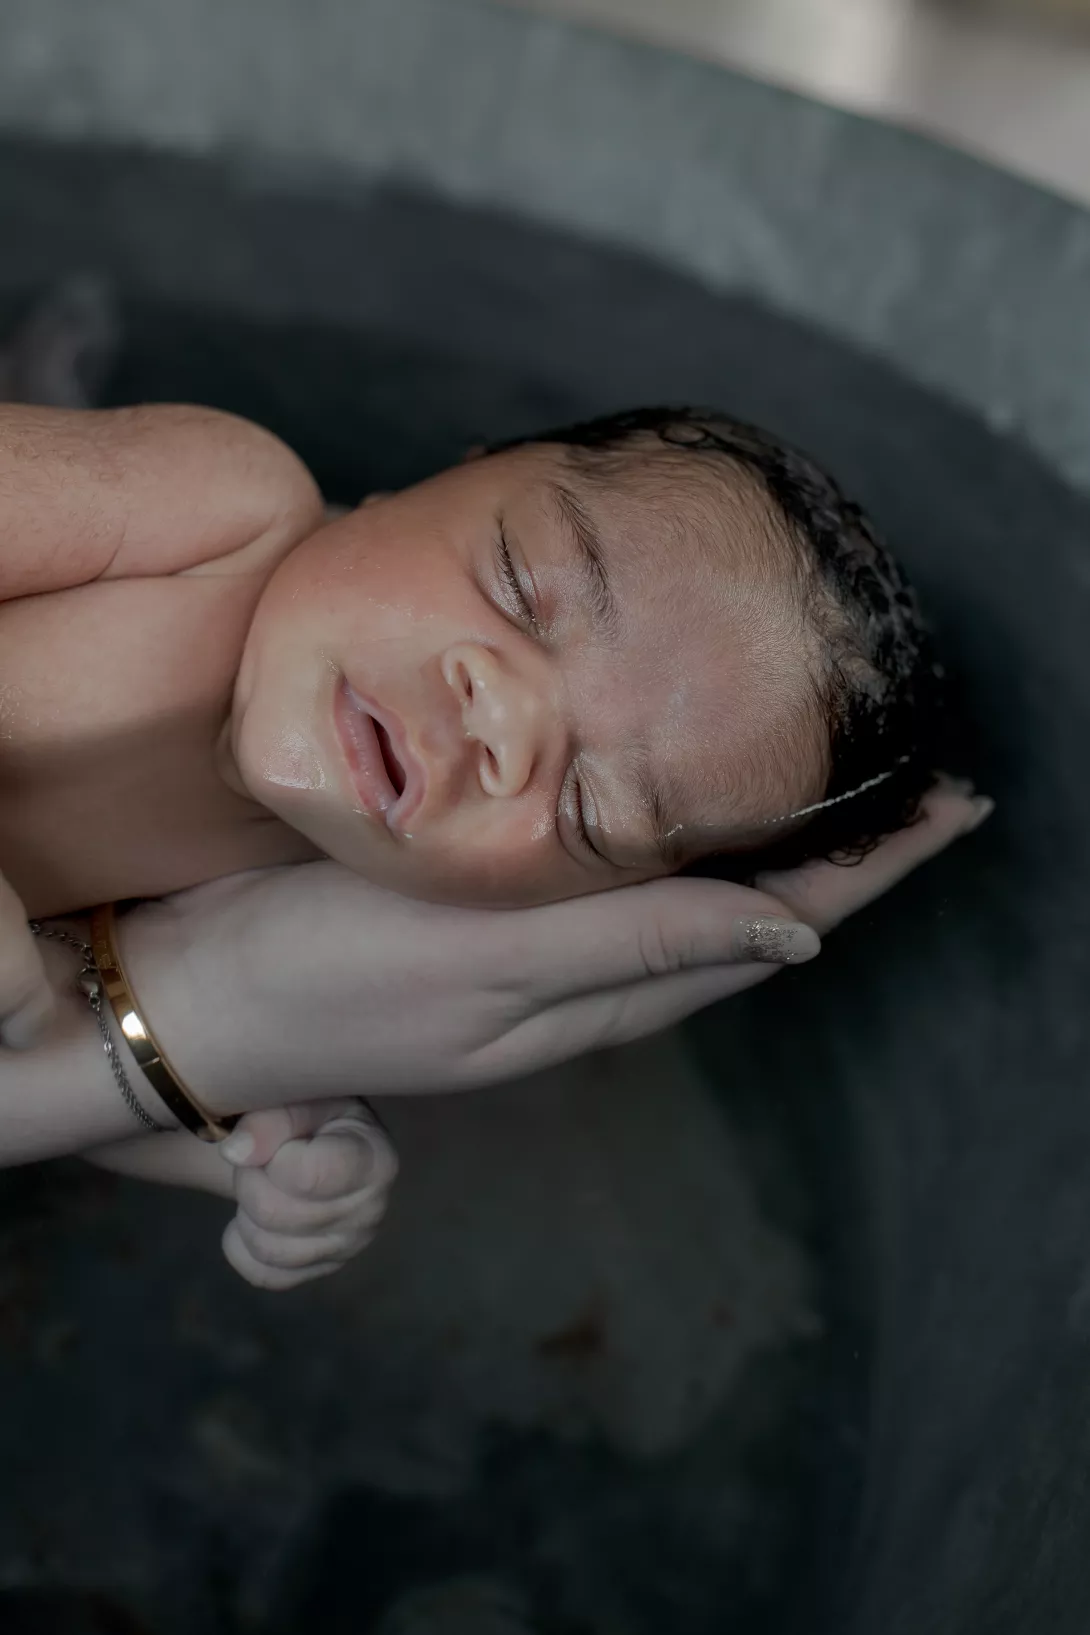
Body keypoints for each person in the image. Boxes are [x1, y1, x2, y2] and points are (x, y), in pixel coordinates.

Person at [0, 285, 991, 1286]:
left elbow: (94, 1010)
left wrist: (234, 1143)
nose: (501, 727)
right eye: (517, 583)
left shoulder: (295, 876)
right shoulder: (217, 505)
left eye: (586, 810)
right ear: (432, 478)